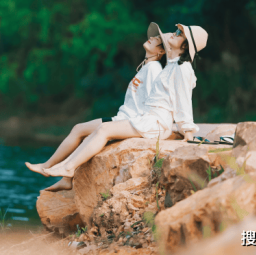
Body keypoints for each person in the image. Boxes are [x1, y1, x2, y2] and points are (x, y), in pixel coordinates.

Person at [42, 23, 208, 179]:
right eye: (177, 30)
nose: (174, 33)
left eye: (180, 34)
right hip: (150, 119)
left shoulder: (182, 68)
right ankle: (66, 166)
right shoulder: (172, 65)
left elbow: (183, 100)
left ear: (185, 46)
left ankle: (68, 168)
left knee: (104, 129)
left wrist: (187, 130)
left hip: (156, 123)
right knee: (100, 129)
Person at [26, 23, 167, 191]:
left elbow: (153, 100)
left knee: (90, 133)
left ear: (161, 51)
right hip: (123, 116)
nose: (152, 38)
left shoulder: (154, 69)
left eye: (157, 39)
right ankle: (55, 171)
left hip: (131, 120)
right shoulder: (146, 67)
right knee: (79, 129)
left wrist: (137, 124)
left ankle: (64, 170)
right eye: (153, 36)